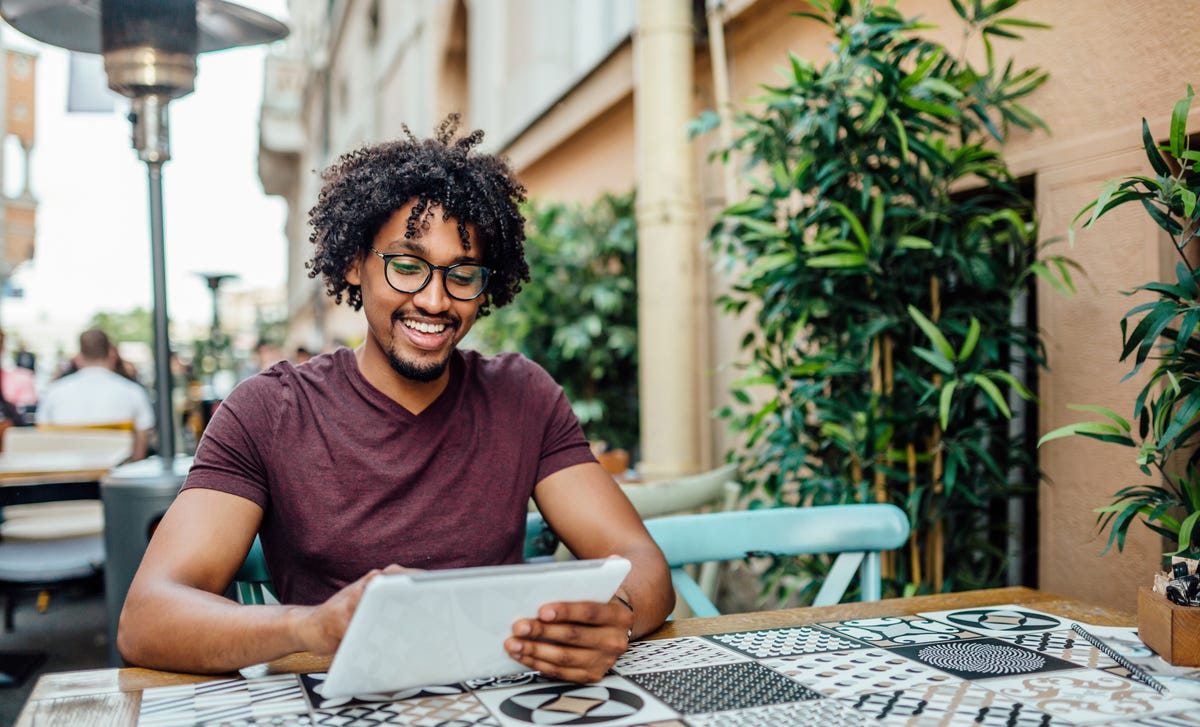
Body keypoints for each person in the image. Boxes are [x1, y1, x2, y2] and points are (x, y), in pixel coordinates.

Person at [117, 116, 674, 680]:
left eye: (462, 274)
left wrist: (616, 620)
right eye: (407, 266)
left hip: (498, 701)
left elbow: (641, 560)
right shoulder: (269, 411)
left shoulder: (522, 396)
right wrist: (309, 627)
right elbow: (147, 616)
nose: (434, 300)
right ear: (355, 265)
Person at [37, 328, 155, 461]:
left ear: (79, 357)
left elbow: (43, 437)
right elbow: (141, 445)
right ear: (111, 355)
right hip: (116, 476)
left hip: (63, 474)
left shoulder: (54, 392)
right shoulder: (133, 391)